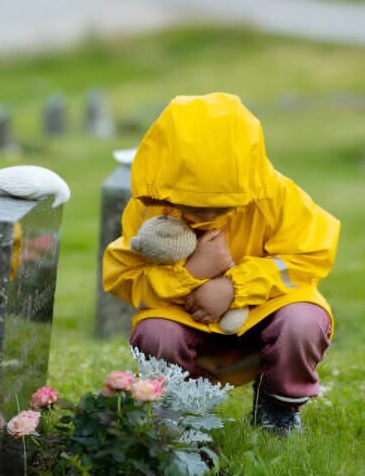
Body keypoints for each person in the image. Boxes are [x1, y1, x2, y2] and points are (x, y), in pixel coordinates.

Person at [102, 92, 340, 435]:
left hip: (264, 310)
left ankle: (277, 408)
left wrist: (234, 287)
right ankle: (182, 411)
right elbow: (125, 276)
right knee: (156, 334)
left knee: (303, 322)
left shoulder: (275, 195)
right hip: (183, 315)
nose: (209, 216)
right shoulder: (150, 208)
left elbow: (311, 255)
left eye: (223, 206)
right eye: (195, 206)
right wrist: (192, 273)